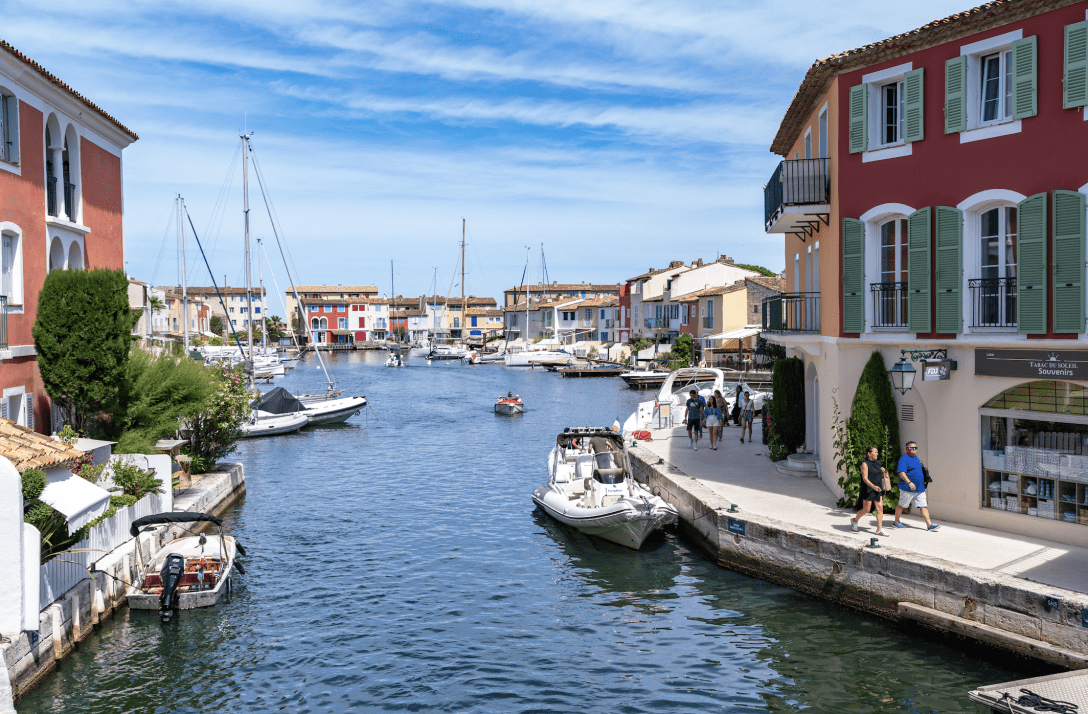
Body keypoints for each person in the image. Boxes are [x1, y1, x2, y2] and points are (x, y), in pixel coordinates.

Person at [893, 441, 940, 531]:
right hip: (907, 489)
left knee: (923, 506)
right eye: (912, 448)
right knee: (901, 505)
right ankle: (896, 522)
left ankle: (929, 525)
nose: (914, 449)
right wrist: (909, 483)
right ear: (907, 449)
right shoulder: (904, 459)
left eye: (915, 448)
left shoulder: (916, 458)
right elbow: (901, 473)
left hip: (920, 488)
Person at [850, 446, 888, 536]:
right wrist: (873, 486)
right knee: (866, 509)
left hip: (878, 488)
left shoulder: (877, 463)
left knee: (880, 508)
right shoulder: (865, 464)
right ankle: (854, 520)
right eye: (875, 452)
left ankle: (879, 530)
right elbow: (865, 479)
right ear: (869, 454)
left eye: (877, 452)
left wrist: (882, 471)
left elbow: (877, 475)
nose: (877, 454)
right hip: (868, 488)